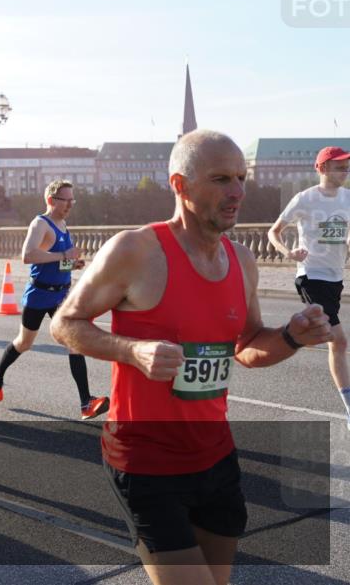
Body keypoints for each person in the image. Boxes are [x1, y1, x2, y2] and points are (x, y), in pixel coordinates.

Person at [50, 130, 332, 585]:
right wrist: (131, 350)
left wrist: (292, 337)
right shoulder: (136, 250)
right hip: (145, 460)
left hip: (215, 456)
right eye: (221, 179)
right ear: (180, 185)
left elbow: (247, 346)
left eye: (241, 177)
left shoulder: (242, 260)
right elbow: (65, 323)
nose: (238, 191)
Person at [0, 179, 110, 420]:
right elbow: (27, 255)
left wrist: (72, 263)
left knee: (75, 342)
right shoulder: (40, 223)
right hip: (39, 294)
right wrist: (64, 254)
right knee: (24, 343)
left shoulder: (63, 224)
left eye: (73, 200)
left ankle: (86, 402)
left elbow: (56, 259)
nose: (71, 204)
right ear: (52, 200)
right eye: (67, 200)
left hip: (61, 295)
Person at [268, 146, 350, 429]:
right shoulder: (304, 199)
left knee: (332, 341)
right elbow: (273, 231)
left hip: (335, 278)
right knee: (339, 340)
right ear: (322, 168)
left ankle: (291, 335)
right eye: (339, 166)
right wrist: (287, 253)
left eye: (346, 166)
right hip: (310, 275)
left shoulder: (348, 199)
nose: (345, 170)